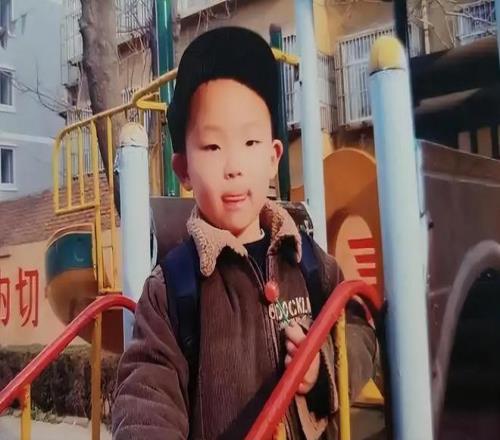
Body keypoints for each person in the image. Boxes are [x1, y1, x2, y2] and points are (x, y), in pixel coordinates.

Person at [112, 26, 378, 440]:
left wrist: (323, 367)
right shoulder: (174, 288)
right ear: (183, 169)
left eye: (251, 142)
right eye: (213, 147)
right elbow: (147, 394)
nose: (234, 166)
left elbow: (359, 330)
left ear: (273, 157)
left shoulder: (307, 261)